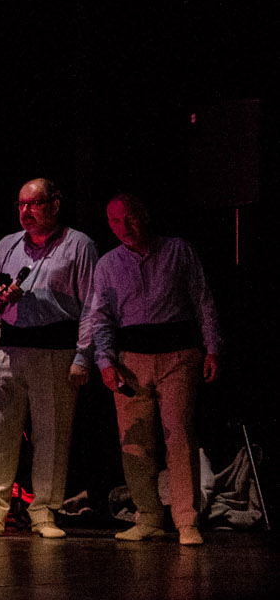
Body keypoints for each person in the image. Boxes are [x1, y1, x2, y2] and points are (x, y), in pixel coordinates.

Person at [82, 194, 222, 545]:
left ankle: (186, 520)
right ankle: (149, 515)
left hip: (178, 356)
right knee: (135, 443)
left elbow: (203, 301)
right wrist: (105, 362)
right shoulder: (108, 264)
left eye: (129, 218)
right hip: (131, 361)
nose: (124, 227)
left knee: (179, 436)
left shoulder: (178, 250)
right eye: (114, 222)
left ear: (145, 215)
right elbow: (100, 318)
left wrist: (213, 348)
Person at [0, 180, 96, 538]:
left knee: (52, 433)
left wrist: (84, 356)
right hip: (9, 347)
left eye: (35, 204)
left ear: (55, 204)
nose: (26, 212)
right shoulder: (7, 245)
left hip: (56, 349)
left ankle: (44, 510)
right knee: (0, 432)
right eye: (21, 204)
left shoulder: (79, 245)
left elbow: (92, 307)